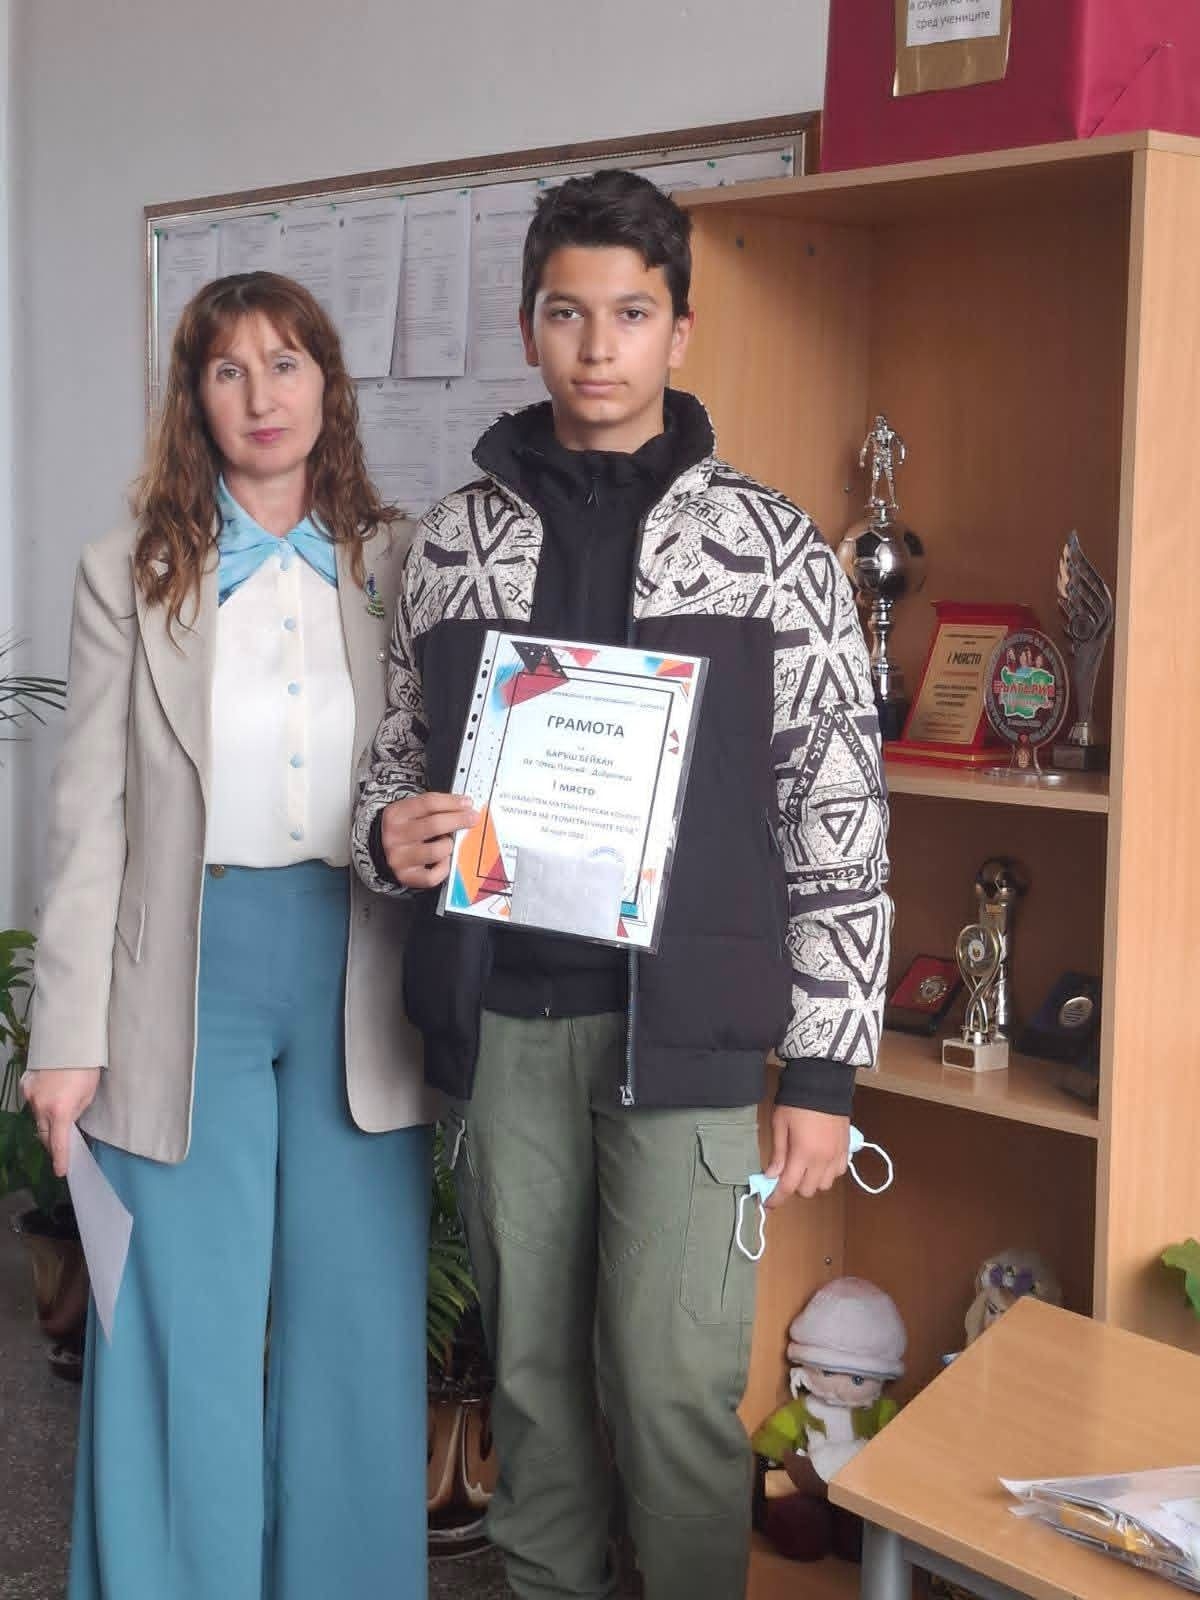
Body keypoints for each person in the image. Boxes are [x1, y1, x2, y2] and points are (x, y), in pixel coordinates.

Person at [353, 170, 892, 1600]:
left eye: (632, 314)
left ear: (680, 330)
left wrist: (823, 1073)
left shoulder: (773, 549)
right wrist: (385, 831)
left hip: (692, 1039)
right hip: (504, 1029)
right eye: (568, 313)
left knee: (670, 1397)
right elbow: (397, 755)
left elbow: (837, 812)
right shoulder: (448, 543)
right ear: (529, 325)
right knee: (532, 1395)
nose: (599, 348)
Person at [23, 271, 438, 1600]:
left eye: (287, 363)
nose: (263, 396)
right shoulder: (125, 573)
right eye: (228, 370)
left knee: (357, 1326)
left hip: (364, 966)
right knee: (177, 1326)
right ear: (193, 399)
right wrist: (64, 1039)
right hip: (184, 976)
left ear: (328, 385)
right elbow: (89, 818)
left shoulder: (401, 561)